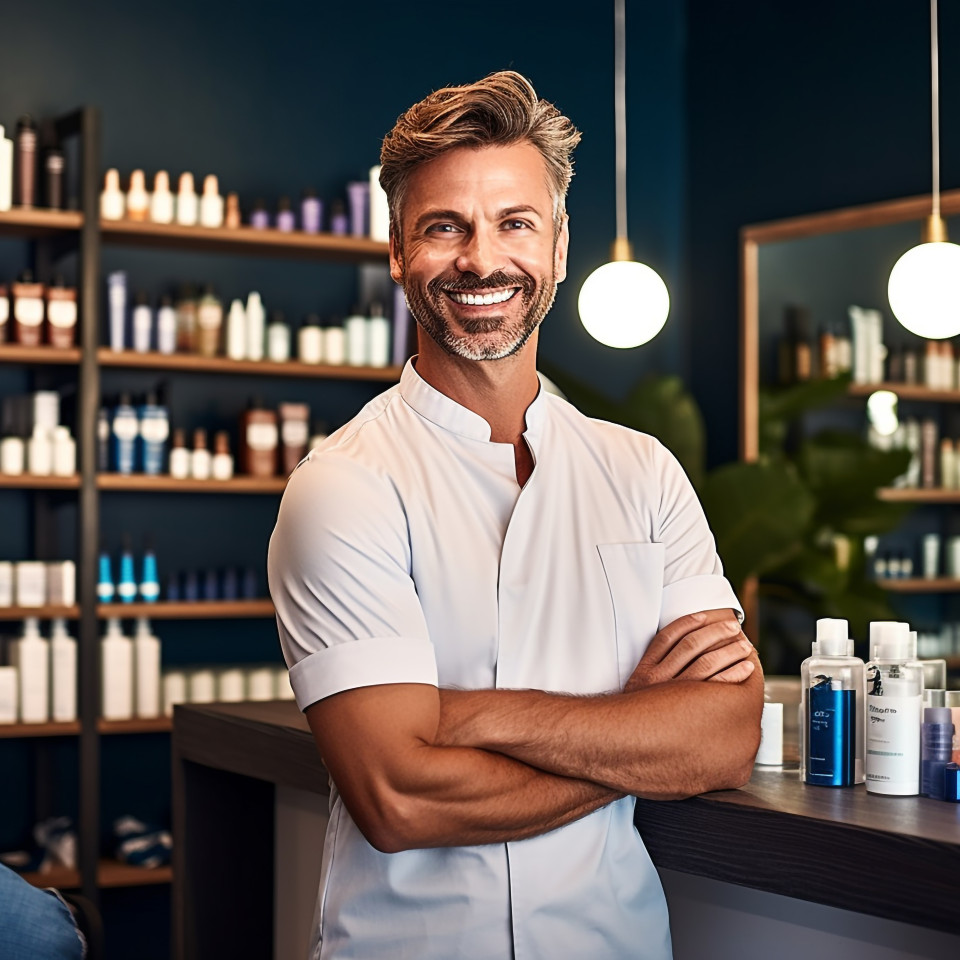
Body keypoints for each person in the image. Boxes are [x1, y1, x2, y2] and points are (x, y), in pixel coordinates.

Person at [268, 70, 763, 960]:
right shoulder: (343, 487)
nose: (482, 260)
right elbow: (400, 800)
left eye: (515, 223)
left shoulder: (643, 473)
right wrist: (635, 728)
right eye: (444, 226)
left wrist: (467, 716)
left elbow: (724, 737)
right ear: (396, 250)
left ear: (561, 245)